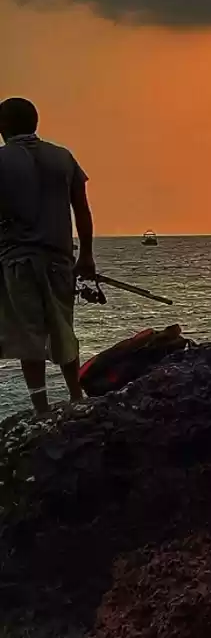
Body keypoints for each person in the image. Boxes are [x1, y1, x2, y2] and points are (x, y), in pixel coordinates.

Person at [0, 98, 95, 415]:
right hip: (60, 258)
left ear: (3, 127)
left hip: (17, 260)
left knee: (29, 333)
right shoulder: (62, 158)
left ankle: (40, 408)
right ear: (35, 122)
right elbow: (81, 209)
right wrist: (88, 257)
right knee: (63, 327)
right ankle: (76, 396)